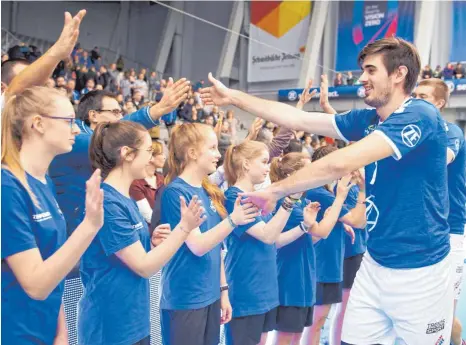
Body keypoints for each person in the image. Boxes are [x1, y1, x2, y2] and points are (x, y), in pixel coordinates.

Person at [200, 37, 454, 344]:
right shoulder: (370, 119)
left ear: (399, 74)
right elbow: (298, 118)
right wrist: (234, 97)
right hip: (376, 263)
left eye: (371, 70)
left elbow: (339, 164)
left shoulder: (420, 114)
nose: (362, 78)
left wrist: (274, 190)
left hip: (421, 270)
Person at [78, 121, 204, 345]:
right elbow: (144, 266)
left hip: (133, 320)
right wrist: (184, 228)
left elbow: (128, 256)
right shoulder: (108, 202)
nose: (151, 157)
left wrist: (151, 243)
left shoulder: (123, 198)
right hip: (111, 326)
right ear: (127, 153)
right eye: (148, 151)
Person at [1, 86, 103, 345]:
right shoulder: (7, 187)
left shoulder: (43, 182)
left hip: (44, 332)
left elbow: (51, 262)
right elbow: (35, 283)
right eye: (69, 121)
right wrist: (89, 226)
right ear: (38, 124)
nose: (77, 129)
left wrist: (61, 331)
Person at [159, 123, 259, 345]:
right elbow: (198, 245)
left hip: (211, 295)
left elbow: (216, 247)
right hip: (185, 299)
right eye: (212, 148)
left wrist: (223, 291)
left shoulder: (207, 191)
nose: (218, 154)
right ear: (193, 153)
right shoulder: (176, 193)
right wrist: (234, 220)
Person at [49, 80, 189, 237]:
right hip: (73, 233)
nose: (120, 118)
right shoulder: (77, 140)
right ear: (93, 115)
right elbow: (112, 137)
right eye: (115, 112)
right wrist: (155, 111)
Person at [222, 144, 316, 345]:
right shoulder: (234, 197)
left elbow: (275, 241)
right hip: (247, 288)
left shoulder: (259, 195)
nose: (268, 167)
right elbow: (267, 235)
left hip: (266, 289)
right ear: (246, 164)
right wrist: (290, 200)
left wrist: (304, 226)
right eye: (263, 162)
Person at [269, 152, 358, 345]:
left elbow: (315, 237)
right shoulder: (288, 204)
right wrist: (340, 198)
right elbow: (323, 232)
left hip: (304, 278)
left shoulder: (303, 202)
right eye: (308, 169)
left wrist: (326, 218)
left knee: (297, 335)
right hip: (290, 279)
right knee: (286, 337)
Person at [413, 78, 466, 345]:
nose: (415, 99)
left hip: (450, 234)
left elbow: (439, 161)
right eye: (414, 94)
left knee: (443, 315)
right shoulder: (411, 131)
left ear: (439, 103)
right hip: (420, 232)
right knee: (422, 312)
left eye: (423, 96)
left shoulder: (451, 131)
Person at [303, 146, 366, 345]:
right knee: (316, 320)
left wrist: (341, 223)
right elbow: (357, 220)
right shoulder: (322, 192)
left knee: (322, 318)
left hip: (333, 258)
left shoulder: (327, 190)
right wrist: (362, 189)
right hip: (325, 261)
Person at [130, 140, 165, 228]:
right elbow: (149, 217)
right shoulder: (136, 183)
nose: (164, 157)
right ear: (151, 157)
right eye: (161, 153)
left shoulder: (162, 179)